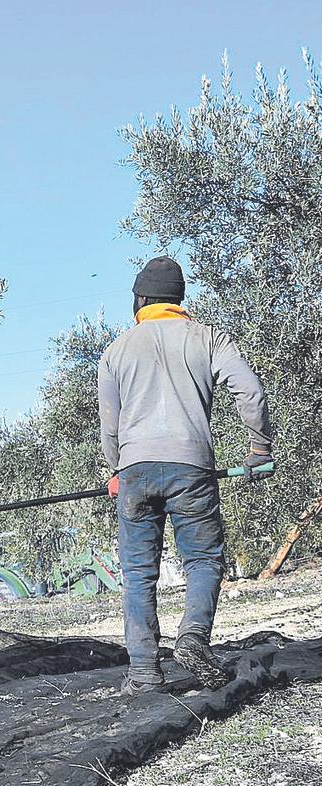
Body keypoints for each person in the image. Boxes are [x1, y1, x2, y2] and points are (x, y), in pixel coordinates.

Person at [98, 256, 274, 695]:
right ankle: (192, 636)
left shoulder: (116, 350)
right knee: (202, 561)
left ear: (139, 300)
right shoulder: (209, 339)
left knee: (138, 574)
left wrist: (114, 470)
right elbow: (250, 391)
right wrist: (259, 449)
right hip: (192, 468)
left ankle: (144, 674)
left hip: (135, 469)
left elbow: (110, 426)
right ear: (179, 300)